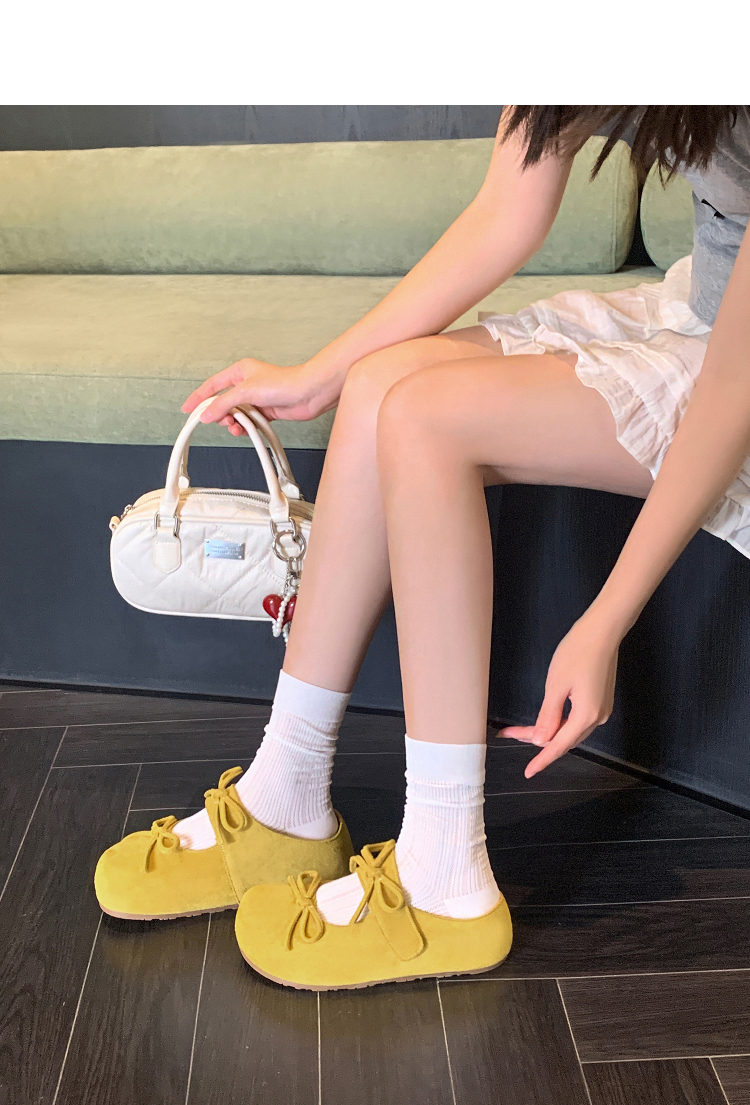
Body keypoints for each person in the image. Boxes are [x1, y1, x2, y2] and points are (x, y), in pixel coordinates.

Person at [94, 105, 750, 989]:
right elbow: (505, 212)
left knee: (426, 420)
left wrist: (606, 620)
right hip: (703, 308)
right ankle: (285, 794)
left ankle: (446, 876)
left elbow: (731, 389)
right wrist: (318, 377)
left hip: (738, 365)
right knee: (377, 386)